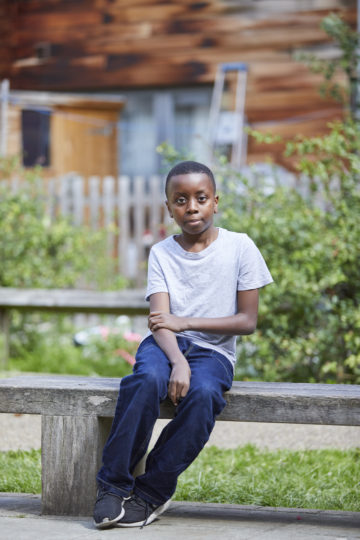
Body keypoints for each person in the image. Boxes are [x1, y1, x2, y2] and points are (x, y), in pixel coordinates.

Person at [93, 160, 273, 529]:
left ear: (215, 202)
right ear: (169, 208)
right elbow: (160, 322)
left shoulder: (240, 247)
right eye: (181, 200)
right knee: (144, 382)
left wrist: (186, 322)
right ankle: (111, 486)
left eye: (200, 198)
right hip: (165, 345)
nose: (191, 207)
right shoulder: (162, 252)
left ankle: (150, 493)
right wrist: (178, 361)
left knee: (205, 394)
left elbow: (247, 321)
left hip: (215, 352)